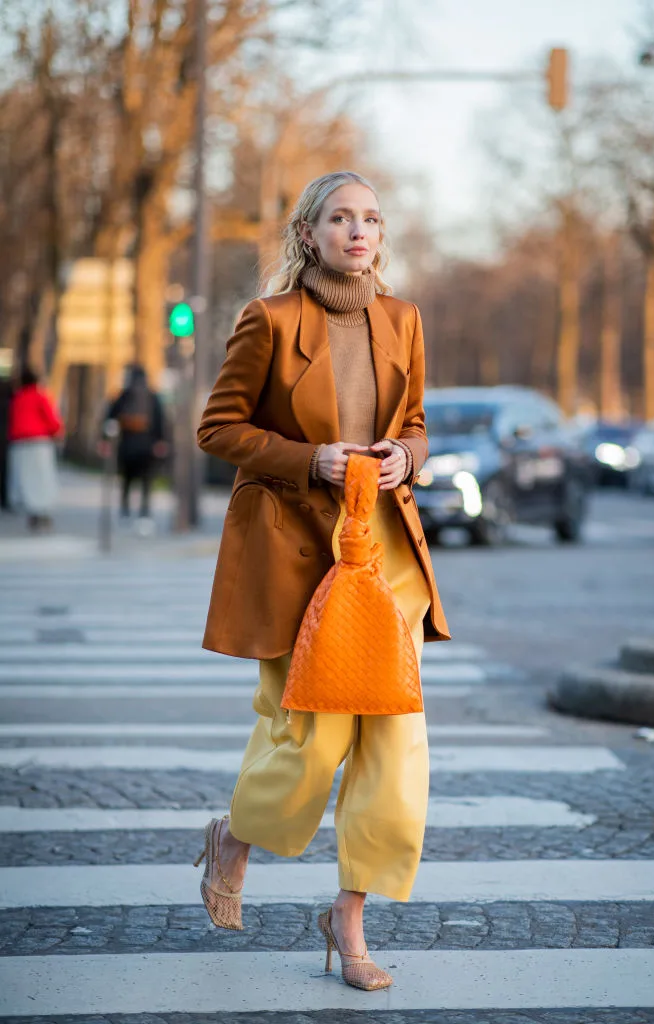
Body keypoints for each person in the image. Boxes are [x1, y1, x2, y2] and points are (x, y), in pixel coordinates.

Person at [195, 170, 450, 991]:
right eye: (340, 217)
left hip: (384, 554)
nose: (358, 231)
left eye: (371, 217)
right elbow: (218, 427)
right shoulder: (268, 320)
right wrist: (312, 459)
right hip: (295, 553)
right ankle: (234, 835)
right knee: (311, 743)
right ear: (309, 232)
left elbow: (414, 422)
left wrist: (404, 455)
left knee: (395, 752)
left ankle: (349, 921)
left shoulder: (403, 318)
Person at [103, 365, 167, 531]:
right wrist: (160, 441)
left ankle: (125, 511)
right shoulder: (153, 396)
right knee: (146, 482)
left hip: (127, 445)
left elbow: (110, 418)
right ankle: (144, 514)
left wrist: (105, 439)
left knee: (127, 480)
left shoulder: (124, 395)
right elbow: (161, 420)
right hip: (147, 446)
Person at [7, 367, 64, 531]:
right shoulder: (39, 396)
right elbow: (51, 418)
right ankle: (42, 510)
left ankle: (32, 509)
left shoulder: (17, 398)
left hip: (19, 442)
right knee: (41, 477)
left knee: (25, 478)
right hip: (39, 441)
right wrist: (57, 431)